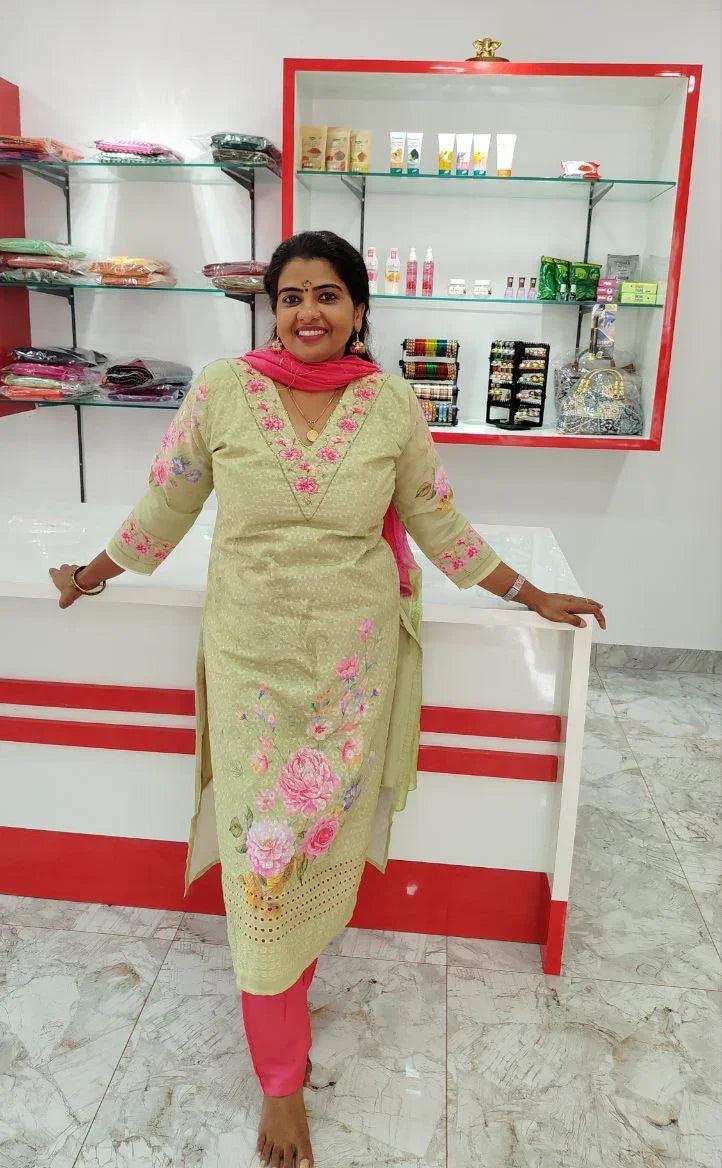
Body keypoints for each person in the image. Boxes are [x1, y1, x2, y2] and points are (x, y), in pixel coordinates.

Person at [50, 230, 605, 1168]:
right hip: (252, 671)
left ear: (358, 312)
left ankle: (291, 994)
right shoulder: (223, 389)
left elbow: (435, 517)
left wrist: (526, 592)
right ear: (273, 306)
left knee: (314, 849)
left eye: (329, 295)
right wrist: (92, 573)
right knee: (262, 862)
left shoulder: (388, 402)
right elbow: (168, 506)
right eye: (293, 294)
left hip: (352, 675)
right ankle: (281, 1082)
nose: (309, 312)